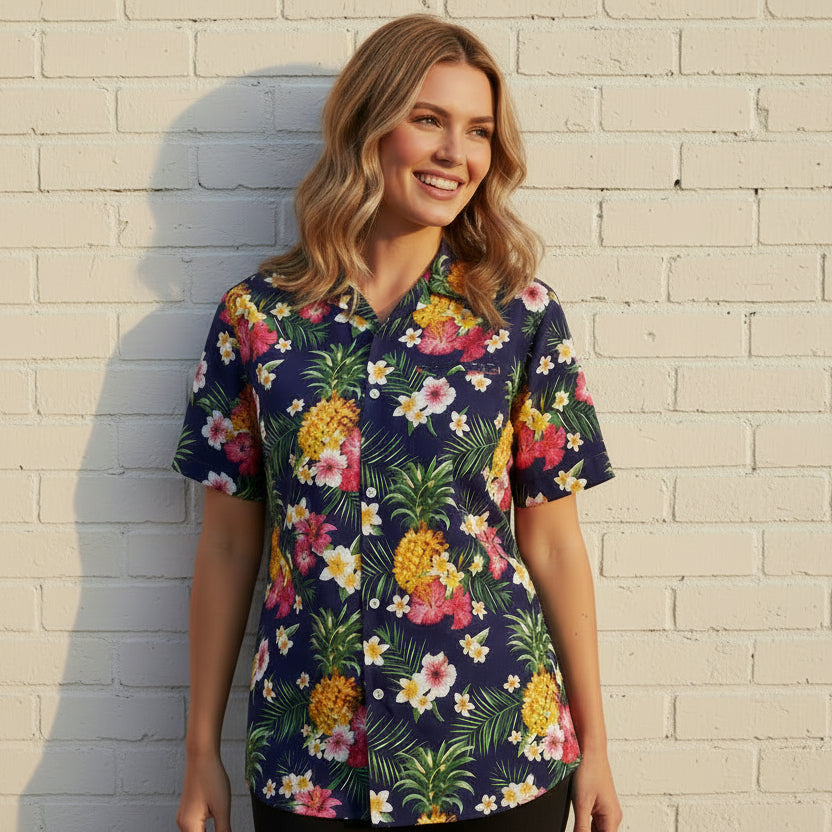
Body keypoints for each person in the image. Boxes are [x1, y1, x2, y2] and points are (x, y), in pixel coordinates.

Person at [173, 13, 622, 832]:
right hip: (308, 757)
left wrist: (596, 745)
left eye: (479, 131)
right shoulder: (259, 320)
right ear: (368, 128)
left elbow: (553, 541)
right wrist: (200, 747)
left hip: (497, 756)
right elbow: (232, 542)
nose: (457, 152)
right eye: (429, 120)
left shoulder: (521, 320)